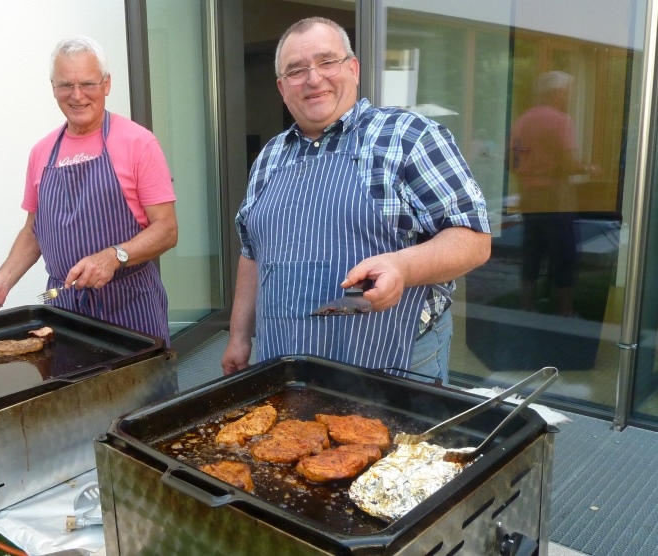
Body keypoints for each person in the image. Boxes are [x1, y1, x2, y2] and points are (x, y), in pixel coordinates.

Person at [220, 17, 491, 383]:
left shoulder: (409, 136)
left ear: (353, 68)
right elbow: (252, 252)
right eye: (296, 71)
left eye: (327, 62)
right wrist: (239, 337)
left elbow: (473, 240)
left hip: (394, 364)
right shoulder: (270, 155)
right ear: (282, 88)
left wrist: (403, 267)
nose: (313, 78)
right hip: (286, 363)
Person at [0, 36, 177, 343]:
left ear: (106, 84)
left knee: (142, 378)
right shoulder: (41, 152)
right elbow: (34, 230)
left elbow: (167, 230)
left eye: (88, 84)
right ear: (53, 88)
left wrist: (114, 256)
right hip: (63, 309)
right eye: (66, 85)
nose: (77, 96)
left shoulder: (139, 143)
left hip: (131, 305)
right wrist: (2, 282)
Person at [510, 71, 592, 317]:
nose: (568, 97)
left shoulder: (522, 120)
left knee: (532, 254)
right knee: (564, 254)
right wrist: (589, 168)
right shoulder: (561, 121)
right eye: (566, 93)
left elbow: (514, 162)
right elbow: (569, 164)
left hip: (529, 196)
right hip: (555, 197)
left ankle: (526, 307)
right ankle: (565, 311)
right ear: (555, 93)